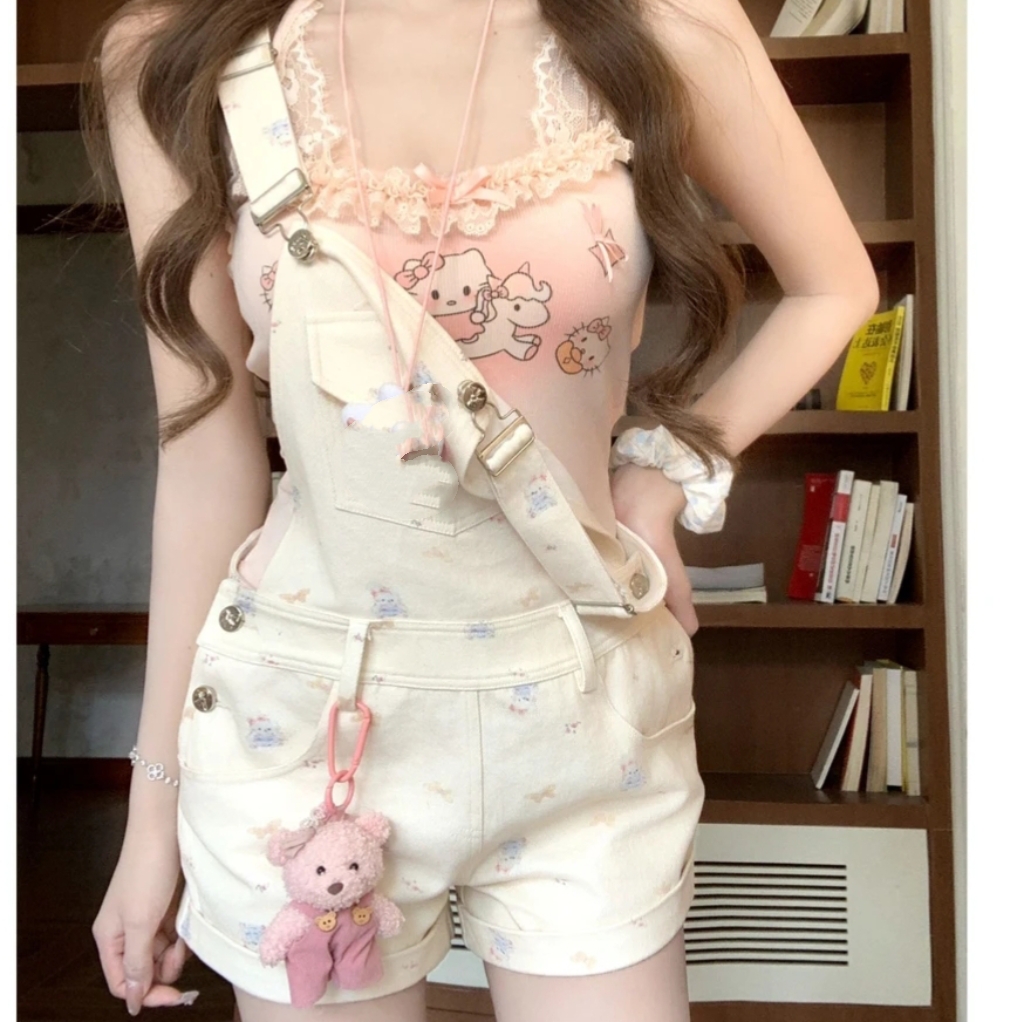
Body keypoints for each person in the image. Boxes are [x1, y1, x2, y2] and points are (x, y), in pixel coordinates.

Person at [87, 1, 879, 1020]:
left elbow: (833, 286)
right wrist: (152, 814)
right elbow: (205, 458)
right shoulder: (171, 51)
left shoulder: (664, 20)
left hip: (584, 698)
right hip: (305, 723)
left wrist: (659, 476)